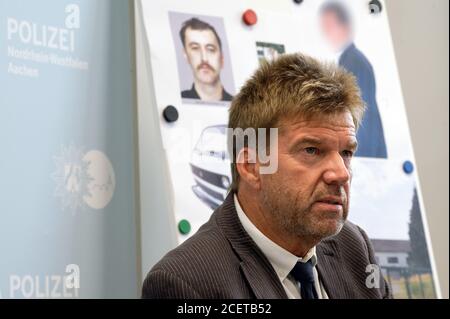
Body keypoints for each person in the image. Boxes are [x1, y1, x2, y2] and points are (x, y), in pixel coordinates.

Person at [142, 53, 391, 299]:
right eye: (312, 150)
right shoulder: (185, 284)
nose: (341, 174)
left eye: (346, 152)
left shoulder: (355, 247)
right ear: (251, 166)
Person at [320, 1, 387, 158]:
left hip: (366, 158)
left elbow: (360, 119)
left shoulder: (353, 62)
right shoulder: (349, 59)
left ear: (345, 27)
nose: (327, 33)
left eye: (330, 27)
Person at [179, 18, 233, 102]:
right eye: (195, 48)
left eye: (210, 49)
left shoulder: (241, 107)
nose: (204, 58)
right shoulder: (177, 99)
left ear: (222, 58)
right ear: (186, 55)